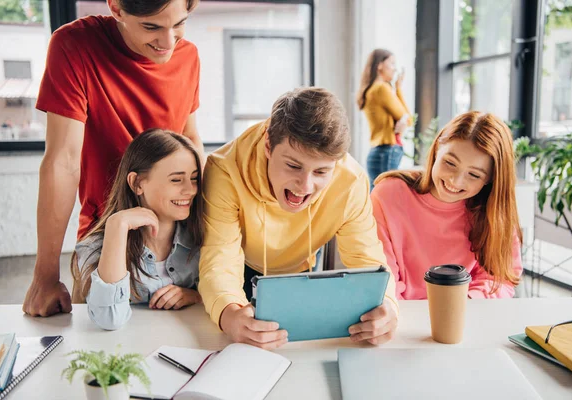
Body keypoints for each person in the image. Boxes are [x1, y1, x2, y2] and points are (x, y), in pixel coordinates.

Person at [24, 0, 204, 317]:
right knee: (102, 339)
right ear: (116, 7)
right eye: (151, 27)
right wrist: (45, 275)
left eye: (179, 24)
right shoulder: (75, 45)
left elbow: (189, 140)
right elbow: (62, 162)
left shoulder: (188, 56)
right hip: (105, 236)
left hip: (172, 243)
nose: (168, 42)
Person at [198, 87, 399, 350]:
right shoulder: (224, 169)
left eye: (321, 171)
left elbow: (368, 260)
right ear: (268, 145)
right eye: (293, 166)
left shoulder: (352, 181)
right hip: (240, 269)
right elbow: (220, 258)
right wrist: (229, 316)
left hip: (300, 273)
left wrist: (388, 306)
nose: (304, 186)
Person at [371, 111, 523, 300]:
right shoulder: (389, 194)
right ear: (436, 150)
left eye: (474, 175)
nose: (456, 181)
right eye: (450, 163)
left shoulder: (493, 212)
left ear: (490, 179)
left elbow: (499, 280)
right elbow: (383, 279)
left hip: (465, 315)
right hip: (401, 315)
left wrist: (460, 304)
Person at [72, 129, 204, 330]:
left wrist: (196, 296)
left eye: (194, 179)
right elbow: (109, 319)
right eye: (176, 180)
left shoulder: (203, 240)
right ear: (137, 183)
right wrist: (117, 226)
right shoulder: (94, 247)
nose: (190, 190)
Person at [357, 49, 412, 190]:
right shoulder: (381, 88)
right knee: (385, 199)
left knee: (375, 199)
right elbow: (408, 119)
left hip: (378, 151)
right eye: (392, 64)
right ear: (380, 65)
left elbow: (405, 120)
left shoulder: (371, 89)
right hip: (387, 151)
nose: (395, 69)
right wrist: (398, 88)